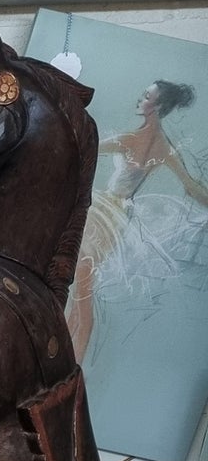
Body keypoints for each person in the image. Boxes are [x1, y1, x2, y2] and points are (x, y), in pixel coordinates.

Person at [69, 79, 208, 361]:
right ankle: (67, 360)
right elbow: (192, 188)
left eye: (146, 96)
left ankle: (73, 365)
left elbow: (88, 148)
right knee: (81, 288)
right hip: (116, 217)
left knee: (82, 290)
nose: (139, 100)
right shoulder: (165, 148)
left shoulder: (131, 139)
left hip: (103, 214)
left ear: (157, 106)